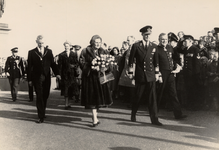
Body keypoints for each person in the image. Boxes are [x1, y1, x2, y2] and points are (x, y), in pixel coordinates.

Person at [128, 25, 162, 126]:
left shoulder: (153, 46)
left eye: (149, 34)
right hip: (140, 75)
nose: (147, 36)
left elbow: (156, 62)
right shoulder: (136, 45)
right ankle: (133, 113)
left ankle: (154, 119)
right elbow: (131, 60)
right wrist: (131, 74)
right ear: (142, 35)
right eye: (146, 34)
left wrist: (157, 74)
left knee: (152, 98)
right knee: (138, 96)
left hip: (150, 75)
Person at [79, 35, 113, 127]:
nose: (98, 44)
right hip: (90, 79)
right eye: (96, 42)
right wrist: (91, 64)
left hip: (101, 78)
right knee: (92, 99)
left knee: (99, 100)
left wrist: (103, 67)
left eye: (99, 42)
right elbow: (81, 64)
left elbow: (109, 64)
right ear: (92, 42)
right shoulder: (85, 51)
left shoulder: (104, 51)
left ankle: (95, 117)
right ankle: (94, 119)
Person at [27, 35, 61, 123]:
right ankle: (40, 116)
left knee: (45, 95)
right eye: (39, 43)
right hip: (37, 77)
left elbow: (53, 64)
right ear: (36, 42)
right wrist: (29, 79)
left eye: (42, 43)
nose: (41, 45)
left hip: (46, 77)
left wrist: (57, 73)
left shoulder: (49, 52)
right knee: (39, 95)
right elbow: (29, 66)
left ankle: (43, 111)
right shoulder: (31, 52)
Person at [156, 33, 187, 119]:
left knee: (173, 93)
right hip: (162, 73)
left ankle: (178, 114)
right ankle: (154, 113)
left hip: (171, 73)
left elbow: (175, 58)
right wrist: (158, 74)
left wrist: (177, 66)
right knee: (159, 93)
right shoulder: (156, 49)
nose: (164, 41)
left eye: (165, 39)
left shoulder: (170, 48)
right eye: (162, 39)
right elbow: (155, 62)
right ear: (159, 39)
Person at [179, 35, 200, 110]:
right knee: (188, 88)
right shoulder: (185, 49)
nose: (184, 42)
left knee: (193, 89)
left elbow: (197, 63)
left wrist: (196, 74)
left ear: (191, 41)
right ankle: (189, 104)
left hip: (193, 74)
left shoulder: (195, 49)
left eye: (186, 41)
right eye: (184, 41)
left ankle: (195, 105)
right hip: (187, 73)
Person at [58, 41, 79, 109]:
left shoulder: (73, 54)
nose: (66, 47)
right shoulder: (61, 55)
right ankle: (66, 104)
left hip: (72, 75)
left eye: (67, 46)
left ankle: (69, 103)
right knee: (66, 90)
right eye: (65, 46)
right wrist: (59, 75)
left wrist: (74, 66)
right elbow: (60, 66)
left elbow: (77, 63)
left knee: (71, 89)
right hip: (65, 75)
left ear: (70, 47)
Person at [207, 49, 219, 114]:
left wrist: (216, 75)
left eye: (215, 56)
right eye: (213, 56)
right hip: (212, 80)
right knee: (214, 94)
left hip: (217, 80)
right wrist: (210, 74)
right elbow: (207, 71)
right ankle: (216, 108)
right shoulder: (210, 63)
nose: (214, 57)